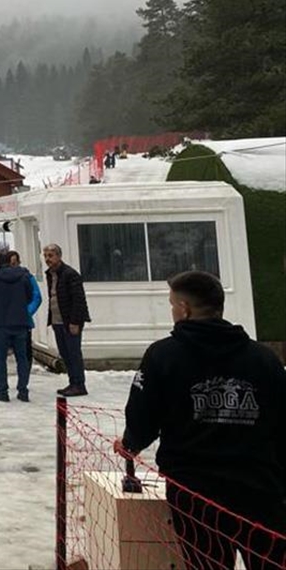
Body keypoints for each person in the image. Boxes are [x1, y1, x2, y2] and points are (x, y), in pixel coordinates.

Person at [117, 271, 285, 570]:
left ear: (184, 309)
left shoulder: (163, 356)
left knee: (206, 564)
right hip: (260, 489)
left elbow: (143, 413)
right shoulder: (264, 359)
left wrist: (130, 444)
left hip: (195, 492)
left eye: (172, 305)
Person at [0, 252, 35, 402]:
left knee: (0, 358)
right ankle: (23, 391)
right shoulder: (23, 275)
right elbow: (30, 296)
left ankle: (3, 391)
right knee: (22, 358)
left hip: (1, 322)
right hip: (21, 320)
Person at [43, 244, 90, 396]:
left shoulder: (70, 274)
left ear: (59, 256)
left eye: (50, 256)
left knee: (74, 353)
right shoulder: (50, 274)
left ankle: (79, 384)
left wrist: (75, 322)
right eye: (46, 256)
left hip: (70, 321)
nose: (47, 259)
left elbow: (78, 300)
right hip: (57, 320)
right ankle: (72, 382)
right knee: (65, 353)